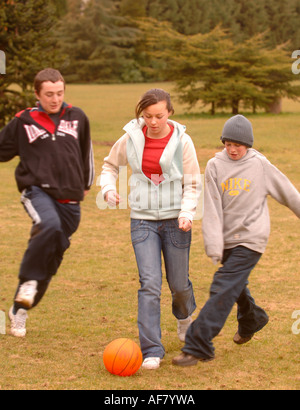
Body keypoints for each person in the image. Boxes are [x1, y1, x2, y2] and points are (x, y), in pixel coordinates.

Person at [173, 114, 300, 366]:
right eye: (227, 144)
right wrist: (213, 244)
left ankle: (199, 344)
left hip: (252, 238)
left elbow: (288, 192)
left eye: (237, 145)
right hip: (227, 239)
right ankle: (253, 318)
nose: (232, 149)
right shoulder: (215, 165)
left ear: (248, 145)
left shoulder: (260, 165)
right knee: (234, 285)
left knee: (223, 285)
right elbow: (212, 207)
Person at [100, 89, 201, 369]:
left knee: (179, 285)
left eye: (158, 116)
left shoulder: (183, 141)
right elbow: (109, 166)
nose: (153, 122)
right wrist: (108, 188)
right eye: (147, 116)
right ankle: (152, 349)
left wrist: (186, 212)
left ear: (169, 112)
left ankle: (184, 318)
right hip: (142, 220)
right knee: (150, 285)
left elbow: (192, 183)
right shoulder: (131, 137)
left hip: (176, 220)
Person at [0, 68, 94, 337]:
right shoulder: (23, 122)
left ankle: (19, 308)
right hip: (37, 192)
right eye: (49, 94)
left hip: (71, 200)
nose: (55, 99)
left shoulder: (77, 117)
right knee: (48, 225)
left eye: (59, 93)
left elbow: (86, 152)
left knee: (50, 259)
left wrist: (86, 185)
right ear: (37, 94)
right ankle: (27, 280)